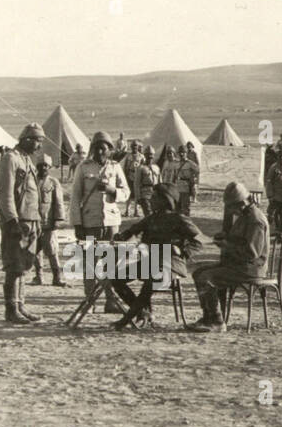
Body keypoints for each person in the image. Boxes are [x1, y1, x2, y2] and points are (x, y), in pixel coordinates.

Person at [109, 182, 204, 329]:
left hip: (171, 264)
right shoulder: (151, 218)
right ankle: (143, 312)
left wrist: (183, 251)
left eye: (154, 197)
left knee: (152, 279)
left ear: (165, 200)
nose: (150, 200)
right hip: (151, 261)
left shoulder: (179, 219)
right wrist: (121, 237)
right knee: (116, 278)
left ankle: (126, 319)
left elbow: (199, 241)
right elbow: (131, 231)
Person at [187, 182, 269, 333]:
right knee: (198, 273)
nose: (231, 211)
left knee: (206, 277)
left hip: (249, 269)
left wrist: (227, 245)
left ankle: (217, 321)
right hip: (238, 265)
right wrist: (225, 237)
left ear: (243, 203)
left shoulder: (255, 219)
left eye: (232, 207)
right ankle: (208, 317)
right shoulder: (245, 215)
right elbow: (240, 239)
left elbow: (252, 253)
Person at [70, 131, 129, 313]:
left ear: (110, 150)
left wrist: (112, 190)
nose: (100, 152)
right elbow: (75, 197)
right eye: (96, 148)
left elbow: (126, 192)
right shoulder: (83, 167)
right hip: (90, 221)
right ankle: (89, 301)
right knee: (89, 263)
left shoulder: (115, 167)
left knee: (110, 262)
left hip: (111, 221)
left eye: (103, 149)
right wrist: (77, 224)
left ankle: (111, 301)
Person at [0, 124, 47, 324]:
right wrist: (12, 220)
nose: (38, 146)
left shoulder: (27, 160)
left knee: (25, 266)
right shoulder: (11, 158)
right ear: (26, 139)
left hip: (31, 221)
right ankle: (11, 309)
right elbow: (5, 192)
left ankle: (21, 305)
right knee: (14, 267)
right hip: (18, 222)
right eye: (37, 141)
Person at [33, 155, 67, 287]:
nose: (43, 168)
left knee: (52, 251)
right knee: (35, 251)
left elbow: (59, 202)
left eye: (45, 166)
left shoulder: (53, 182)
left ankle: (57, 277)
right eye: (40, 165)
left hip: (48, 223)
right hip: (34, 222)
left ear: (49, 167)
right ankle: (39, 276)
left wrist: (58, 219)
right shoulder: (31, 181)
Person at [170, 145, 199, 215]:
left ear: (186, 153)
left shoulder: (190, 163)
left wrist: (193, 180)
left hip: (186, 187)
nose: (181, 154)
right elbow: (173, 175)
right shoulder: (176, 163)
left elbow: (198, 171)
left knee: (185, 207)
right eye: (180, 152)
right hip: (177, 186)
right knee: (177, 207)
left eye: (183, 152)